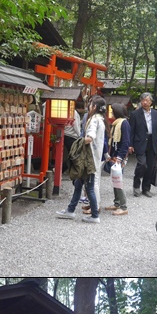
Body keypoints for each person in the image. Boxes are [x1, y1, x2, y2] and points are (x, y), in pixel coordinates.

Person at [56, 96, 106, 224]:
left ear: (94, 107)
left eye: (90, 104)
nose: (88, 106)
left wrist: (79, 142)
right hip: (93, 157)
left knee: (89, 187)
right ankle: (70, 210)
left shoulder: (94, 120)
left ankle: (95, 215)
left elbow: (90, 137)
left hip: (89, 159)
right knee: (78, 184)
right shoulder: (101, 119)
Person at [128, 92, 157, 197]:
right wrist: (130, 144)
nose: (144, 102)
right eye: (143, 100)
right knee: (142, 164)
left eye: (147, 100)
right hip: (140, 141)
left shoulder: (156, 114)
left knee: (150, 166)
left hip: (152, 141)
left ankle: (146, 188)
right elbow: (131, 130)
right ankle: (136, 186)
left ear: (151, 102)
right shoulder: (135, 114)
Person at [104, 103, 132, 216]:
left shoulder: (124, 123)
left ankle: (123, 206)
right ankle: (117, 203)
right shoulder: (117, 123)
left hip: (119, 157)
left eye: (112, 111)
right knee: (115, 179)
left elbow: (125, 142)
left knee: (118, 180)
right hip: (115, 156)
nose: (111, 113)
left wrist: (120, 157)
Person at [63, 97, 84, 173]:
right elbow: (75, 126)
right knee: (73, 155)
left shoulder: (68, 111)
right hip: (71, 136)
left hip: (66, 134)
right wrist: (80, 136)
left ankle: (68, 170)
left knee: (71, 155)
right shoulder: (74, 113)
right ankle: (63, 169)